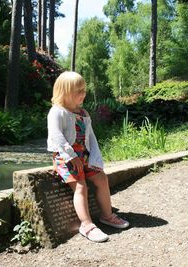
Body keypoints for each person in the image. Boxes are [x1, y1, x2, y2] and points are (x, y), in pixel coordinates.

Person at [47, 71, 129, 242]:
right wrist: (70, 156)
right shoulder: (57, 112)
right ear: (65, 92)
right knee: (80, 187)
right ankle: (86, 225)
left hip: (84, 155)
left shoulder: (84, 113)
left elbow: (90, 137)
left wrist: (95, 159)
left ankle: (107, 215)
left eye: (84, 90)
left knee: (101, 178)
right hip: (65, 157)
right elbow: (56, 136)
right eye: (79, 90)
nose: (83, 94)